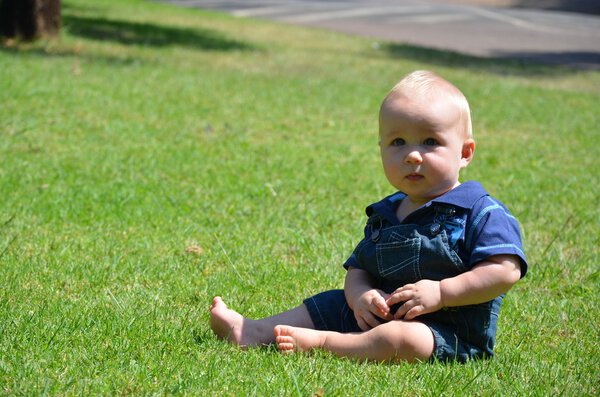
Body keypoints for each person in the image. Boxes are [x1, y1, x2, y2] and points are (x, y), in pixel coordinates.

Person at [209, 70, 527, 363]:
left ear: (465, 153)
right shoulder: (386, 212)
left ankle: (322, 343)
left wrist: (441, 294)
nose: (412, 155)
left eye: (431, 141)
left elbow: (504, 271)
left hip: (446, 332)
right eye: (397, 142)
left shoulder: (479, 211)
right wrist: (360, 296)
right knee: (329, 303)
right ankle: (253, 330)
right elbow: (359, 268)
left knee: (399, 338)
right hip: (379, 314)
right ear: (381, 148)